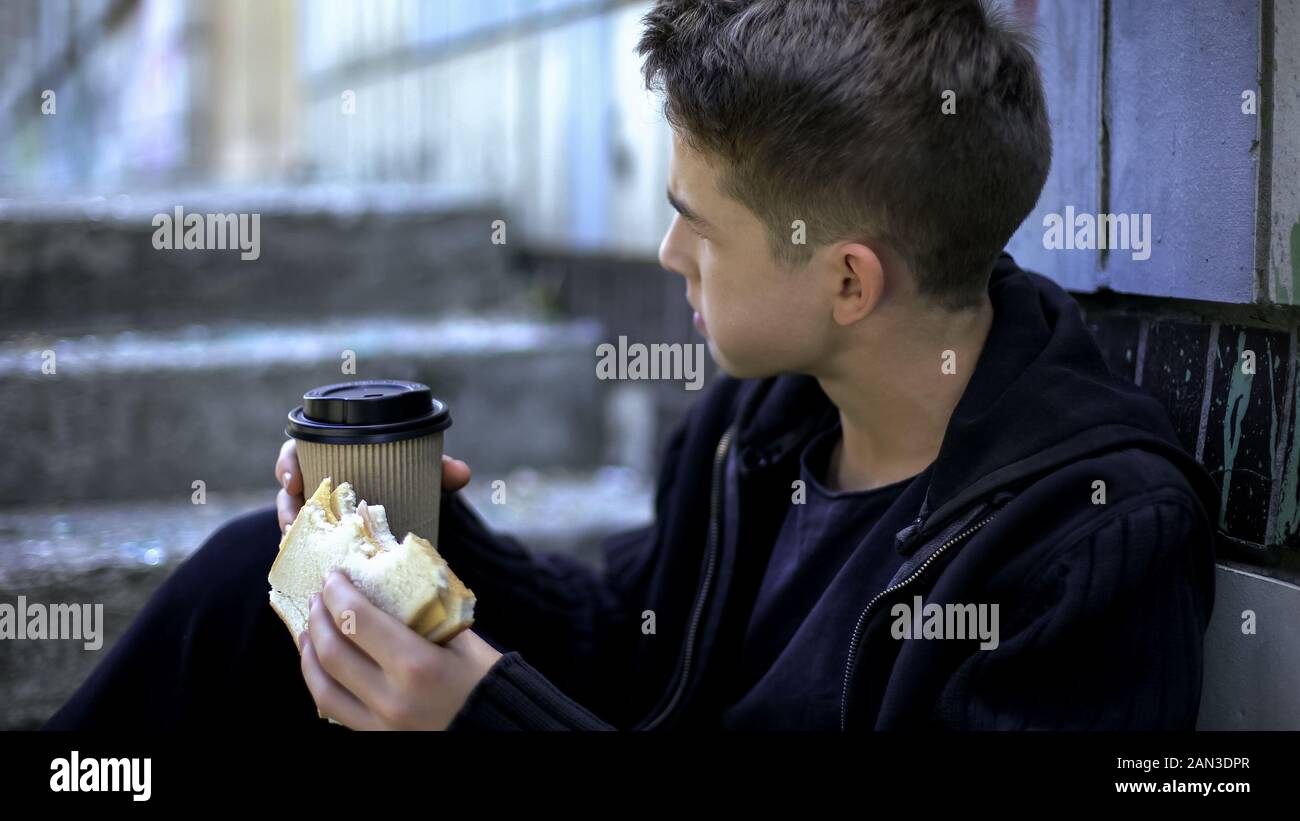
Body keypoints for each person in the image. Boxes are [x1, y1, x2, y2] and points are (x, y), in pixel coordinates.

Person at [45, 0, 1220, 731]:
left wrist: (483, 719)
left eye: (697, 224)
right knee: (265, 576)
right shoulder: (764, 414)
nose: (666, 253)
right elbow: (633, 637)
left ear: (848, 280)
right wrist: (453, 563)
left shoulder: (1085, 544)